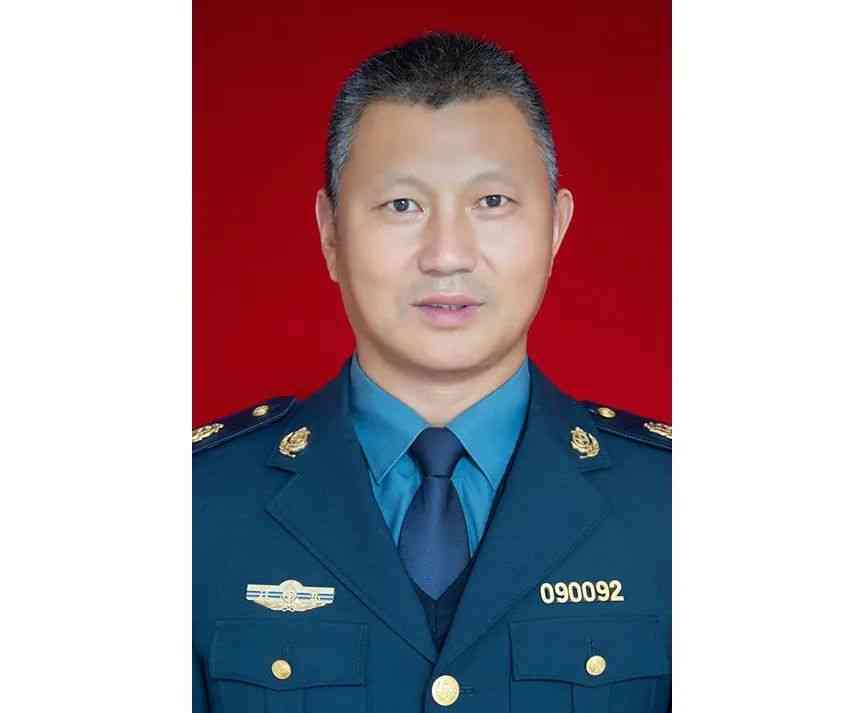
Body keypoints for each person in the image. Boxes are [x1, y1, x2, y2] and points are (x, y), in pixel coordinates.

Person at [193, 32, 670, 713]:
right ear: (330, 232)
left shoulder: (673, 505)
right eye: (403, 206)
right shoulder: (195, 505)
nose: (447, 254)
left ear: (557, 228)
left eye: (492, 202)